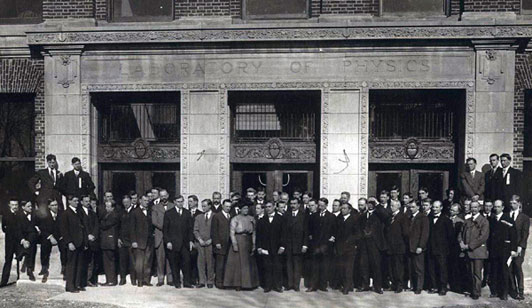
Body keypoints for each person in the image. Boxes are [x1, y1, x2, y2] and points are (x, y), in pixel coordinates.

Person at [223, 203, 259, 290]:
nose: (245, 210)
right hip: (239, 241)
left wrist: (254, 244)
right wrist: (235, 244)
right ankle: (237, 284)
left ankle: (249, 284)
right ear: (240, 209)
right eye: (244, 208)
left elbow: (254, 232)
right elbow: (232, 233)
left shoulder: (251, 219)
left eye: (247, 208)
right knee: (238, 264)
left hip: (248, 241)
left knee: (247, 263)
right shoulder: (235, 219)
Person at [459, 201, 489, 300]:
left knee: (477, 273)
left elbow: (482, 237)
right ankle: (471, 289)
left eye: (475, 207)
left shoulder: (484, 221)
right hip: (467, 251)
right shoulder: (467, 221)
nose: (473, 209)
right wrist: (461, 243)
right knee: (470, 272)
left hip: (478, 252)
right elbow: (460, 233)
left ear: (479, 208)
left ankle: (476, 292)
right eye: (472, 207)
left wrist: (469, 246)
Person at [358, 197, 389, 294]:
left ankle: (378, 286)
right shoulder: (363, 215)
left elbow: (386, 216)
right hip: (364, 244)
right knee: (364, 265)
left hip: (375, 244)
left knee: (376, 265)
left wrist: (378, 203)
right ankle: (365, 285)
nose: (370, 205)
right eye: (368, 203)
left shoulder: (379, 214)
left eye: (372, 203)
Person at [163, 195, 194, 289]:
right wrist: (168, 242)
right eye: (179, 201)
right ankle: (177, 282)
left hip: (185, 243)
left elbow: (190, 228)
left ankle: (187, 282)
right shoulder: (168, 213)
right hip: (173, 243)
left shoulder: (187, 213)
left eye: (182, 201)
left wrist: (191, 241)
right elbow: (165, 229)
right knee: (174, 263)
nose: (181, 203)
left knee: (186, 263)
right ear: (175, 202)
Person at [489, 199, 517, 300]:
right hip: (494, 250)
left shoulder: (508, 219)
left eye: (498, 207)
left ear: (503, 207)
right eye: (495, 207)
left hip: (505, 249)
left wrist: (513, 249)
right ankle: (495, 291)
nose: (496, 209)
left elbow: (514, 235)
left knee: (504, 271)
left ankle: (504, 292)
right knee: (495, 270)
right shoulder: (492, 219)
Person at [60, 195, 87, 293]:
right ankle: (70, 286)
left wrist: (84, 242)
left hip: (79, 243)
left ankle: (77, 284)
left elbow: (82, 228)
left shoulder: (78, 212)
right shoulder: (66, 214)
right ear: (69, 201)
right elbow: (64, 230)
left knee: (79, 264)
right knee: (71, 265)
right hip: (72, 244)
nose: (77, 202)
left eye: (77, 200)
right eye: (75, 201)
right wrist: (69, 242)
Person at [256, 201, 284, 293]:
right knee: (267, 267)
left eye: (270, 206)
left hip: (277, 248)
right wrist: (259, 247)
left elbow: (285, 234)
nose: (268, 208)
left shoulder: (281, 219)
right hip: (265, 247)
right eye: (266, 207)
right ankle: (267, 286)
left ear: (274, 207)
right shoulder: (262, 220)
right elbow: (259, 235)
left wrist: (282, 246)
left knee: (278, 267)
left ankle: (278, 286)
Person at [281, 198, 308, 292]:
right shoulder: (286, 215)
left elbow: (306, 231)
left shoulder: (303, 216)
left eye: (294, 203)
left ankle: (296, 285)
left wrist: (305, 245)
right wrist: (283, 245)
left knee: (297, 266)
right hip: (288, 245)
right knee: (289, 265)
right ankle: (289, 284)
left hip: (298, 244)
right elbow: (283, 232)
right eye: (291, 203)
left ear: (298, 205)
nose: (292, 205)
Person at [427, 200, 453, 296]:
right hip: (430, 248)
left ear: (441, 208)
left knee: (442, 269)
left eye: (437, 207)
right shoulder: (428, 218)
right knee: (431, 268)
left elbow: (450, 236)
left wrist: (446, 249)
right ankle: (434, 286)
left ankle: (443, 287)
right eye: (433, 207)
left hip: (442, 250)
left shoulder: (446, 220)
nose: (434, 209)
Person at [335, 203, 362, 295]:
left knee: (348, 268)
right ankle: (346, 285)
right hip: (340, 247)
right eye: (342, 208)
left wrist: (350, 240)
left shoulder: (354, 219)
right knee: (341, 267)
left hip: (350, 248)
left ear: (349, 210)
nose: (343, 210)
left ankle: (347, 286)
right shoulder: (339, 219)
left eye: (345, 208)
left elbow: (358, 234)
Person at [130, 195, 154, 287]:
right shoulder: (135, 212)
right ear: (140, 201)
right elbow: (131, 228)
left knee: (147, 262)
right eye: (144, 200)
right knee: (139, 262)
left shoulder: (150, 212)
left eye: (147, 200)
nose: (146, 202)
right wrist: (133, 241)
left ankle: (146, 280)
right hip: (139, 241)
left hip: (149, 241)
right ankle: (139, 280)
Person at [384, 199, 408, 293]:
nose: (391, 207)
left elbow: (405, 232)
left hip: (399, 247)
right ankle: (393, 284)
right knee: (391, 267)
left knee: (398, 267)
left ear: (398, 206)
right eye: (390, 205)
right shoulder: (390, 217)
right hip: (390, 247)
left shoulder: (402, 217)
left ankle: (399, 285)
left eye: (393, 205)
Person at [509, 195, 530, 300]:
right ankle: (513, 290)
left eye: (514, 203)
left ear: (519, 204)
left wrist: (520, 246)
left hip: (518, 247)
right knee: (509, 268)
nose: (512, 205)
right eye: (511, 203)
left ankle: (521, 290)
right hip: (508, 247)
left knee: (517, 266)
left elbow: (525, 234)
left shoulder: (524, 218)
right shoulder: (507, 215)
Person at [152, 189, 173, 287]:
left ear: (168, 195)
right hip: (160, 235)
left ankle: (170, 278)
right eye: (161, 196)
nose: (163, 198)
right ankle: (160, 279)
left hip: (171, 237)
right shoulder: (155, 207)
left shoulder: (173, 206)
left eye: (165, 196)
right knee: (160, 259)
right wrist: (166, 228)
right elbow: (154, 222)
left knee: (170, 258)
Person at [408, 200, 429, 295]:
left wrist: (421, 246)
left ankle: (419, 287)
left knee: (419, 268)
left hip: (418, 247)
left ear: (417, 207)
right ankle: (414, 285)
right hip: (410, 247)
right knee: (412, 267)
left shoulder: (422, 218)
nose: (411, 209)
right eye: (410, 207)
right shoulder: (410, 217)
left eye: (413, 207)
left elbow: (424, 234)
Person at [211, 199, 233, 289]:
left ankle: (226, 281)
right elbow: (214, 231)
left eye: (229, 206)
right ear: (222, 206)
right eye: (226, 206)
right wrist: (216, 242)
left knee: (227, 264)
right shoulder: (217, 216)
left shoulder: (231, 216)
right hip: (220, 244)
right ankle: (218, 282)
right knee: (219, 264)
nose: (228, 208)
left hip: (229, 244)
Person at [193, 199, 215, 288]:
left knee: (210, 262)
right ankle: (202, 281)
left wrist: (212, 240)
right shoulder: (198, 217)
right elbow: (195, 230)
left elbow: (217, 230)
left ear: (210, 206)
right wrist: (199, 239)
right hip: (201, 243)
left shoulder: (215, 216)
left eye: (205, 206)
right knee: (200, 262)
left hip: (210, 243)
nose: (203, 208)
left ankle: (210, 281)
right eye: (202, 206)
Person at [37, 199, 60, 283]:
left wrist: (59, 237)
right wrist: (50, 237)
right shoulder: (45, 215)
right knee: (45, 244)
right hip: (48, 235)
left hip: (59, 236)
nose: (55, 207)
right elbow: (43, 228)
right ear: (49, 206)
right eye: (53, 205)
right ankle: (44, 267)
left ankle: (64, 267)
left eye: (56, 205)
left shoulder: (61, 214)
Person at [79, 195, 99, 288]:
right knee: (84, 262)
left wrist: (93, 235)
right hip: (84, 240)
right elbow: (80, 226)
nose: (88, 203)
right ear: (81, 202)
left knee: (92, 261)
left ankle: (90, 279)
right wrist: (87, 235)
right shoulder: (79, 213)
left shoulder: (92, 213)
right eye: (86, 201)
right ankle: (83, 280)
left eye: (88, 201)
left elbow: (96, 225)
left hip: (92, 241)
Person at [0, 199, 20, 287]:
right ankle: (4, 281)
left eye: (16, 205)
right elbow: (4, 228)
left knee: (20, 259)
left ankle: (20, 278)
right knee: (8, 260)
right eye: (13, 205)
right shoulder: (6, 215)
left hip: (18, 241)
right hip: (10, 241)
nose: (15, 207)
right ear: (9, 205)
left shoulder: (20, 215)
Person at [448, 203, 466, 294]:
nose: (451, 212)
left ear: (458, 212)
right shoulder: (447, 219)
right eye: (451, 210)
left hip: (455, 247)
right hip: (447, 247)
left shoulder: (460, 222)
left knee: (456, 267)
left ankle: (456, 286)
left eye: (454, 210)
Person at [17, 201, 38, 281]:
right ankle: (29, 269)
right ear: (23, 207)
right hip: (24, 237)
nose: (30, 208)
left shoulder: (34, 214)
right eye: (28, 206)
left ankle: (23, 252)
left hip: (33, 236)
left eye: (31, 206)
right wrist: (23, 240)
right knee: (32, 246)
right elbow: (18, 230)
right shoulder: (19, 216)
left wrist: (37, 227)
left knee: (32, 234)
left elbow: (38, 224)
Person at [100, 201, 119, 286]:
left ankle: (111, 280)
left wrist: (101, 222)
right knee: (107, 262)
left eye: (108, 207)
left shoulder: (113, 215)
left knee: (109, 262)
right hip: (107, 242)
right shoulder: (108, 214)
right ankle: (109, 280)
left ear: (112, 207)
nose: (106, 208)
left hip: (109, 242)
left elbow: (104, 225)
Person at [118, 195, 136, 286]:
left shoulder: (135, 211)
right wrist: (118, 238)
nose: (126, 204)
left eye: (127, 202)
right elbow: (118, 226)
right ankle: (122, 278)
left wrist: (135, 240)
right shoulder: (120, 212)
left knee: (132, 261)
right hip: (122, 240)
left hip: (132, 241)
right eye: (124, 202)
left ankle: (133, 279)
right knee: (122, 261)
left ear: (131, 202)